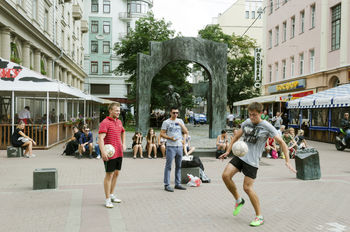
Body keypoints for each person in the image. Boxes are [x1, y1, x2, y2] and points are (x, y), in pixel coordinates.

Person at [219, 102, 296, 227]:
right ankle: (239, 200)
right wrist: (228, 151)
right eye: (250, 115)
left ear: (261, 113)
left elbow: (282, 143)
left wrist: (287, 160)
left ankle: (259, 216)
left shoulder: (267, 126)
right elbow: (236, 136)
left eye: (254, 115)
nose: (252, 117)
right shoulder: (246, 123)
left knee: (247, 188)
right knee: (225, 176)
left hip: (252, 161)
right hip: (241, 155)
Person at [98, 102, 126, 208]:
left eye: (119, 110)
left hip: (119, 152)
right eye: (116, 110)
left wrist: (124, 143)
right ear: (110, 110)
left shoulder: (119, 122)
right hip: (109, 153)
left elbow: (123, 131)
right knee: (109, 175)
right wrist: (103, 152)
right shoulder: (105, 122)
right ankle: (107, 199)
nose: (118, 112)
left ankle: (112, 195)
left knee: (116, 173)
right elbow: (100, 138)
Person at [160, 106, 188, 192]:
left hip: (179, 146)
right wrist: (169, 138)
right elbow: (162, 134)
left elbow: (186, 131)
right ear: (170, 113)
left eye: (177, 113)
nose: (175, 114)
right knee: (168, 166)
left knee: (179, 166)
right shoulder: (166, 122)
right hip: (170, 146)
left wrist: (181, 125)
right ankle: (167, 184)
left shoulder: (180, 121)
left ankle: (178, 183)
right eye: (174, 113)